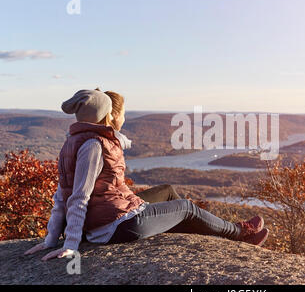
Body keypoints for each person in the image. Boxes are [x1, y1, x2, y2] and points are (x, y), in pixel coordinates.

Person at [24, 89, 269, 261]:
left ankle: (207, 233)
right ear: (106, 115)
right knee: (186, 208)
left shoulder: (73, 142)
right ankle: (239, 234)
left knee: (168, 193)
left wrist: (50, 239)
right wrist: (69, 244)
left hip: (107, 220)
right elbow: (78, 197)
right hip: (114, 226)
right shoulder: (94, 145)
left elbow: (61, 196)